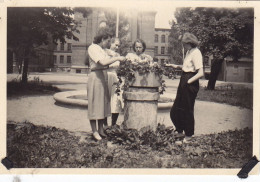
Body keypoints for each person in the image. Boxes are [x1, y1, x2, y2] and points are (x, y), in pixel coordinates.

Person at [166, 32, 204, 144]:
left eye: (184, 43)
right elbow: (187, 67)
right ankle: (179, 130)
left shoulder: (196, 53)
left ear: (189, 43)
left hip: (190, 82)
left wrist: (188, 81)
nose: (183, 46)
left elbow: (200, 72)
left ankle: (188, 135)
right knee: (176, 109)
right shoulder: (189, 52)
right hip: (184, 79)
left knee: (187, 109)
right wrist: (176, 66)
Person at [87, 32, 125, 141]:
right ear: (102, 39)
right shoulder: (93, 48)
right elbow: (103, 62)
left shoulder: (100, 49)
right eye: (107, 41)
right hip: (95, 77)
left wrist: (115, 57)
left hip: (102, 76)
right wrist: (117, 59)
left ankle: (100, 130)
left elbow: (107, 62)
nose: (108, 43)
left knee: (102, 104)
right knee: (95, 104)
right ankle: (94, 131)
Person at [105, 37, 124, 126]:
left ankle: (113, 124)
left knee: (116, 100)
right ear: (111, 43)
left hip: (115, 78)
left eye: (118, 46)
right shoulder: (105, 52)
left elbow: (119, 67)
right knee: (106, 100)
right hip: (107, 76)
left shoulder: (118, 55)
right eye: (116, 45)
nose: (117, 47)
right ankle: (104, 124)